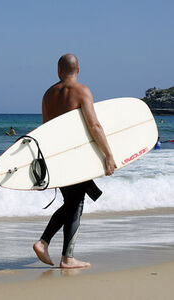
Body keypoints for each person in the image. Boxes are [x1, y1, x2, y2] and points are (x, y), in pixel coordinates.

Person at [33, 54, 116, 269]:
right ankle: (54, 249)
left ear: (58, 70)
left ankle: (58, 251)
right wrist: (108, 155)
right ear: (78, 69)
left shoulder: (48, 95)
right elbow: (94, 125)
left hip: (56, 156)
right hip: (76, 157)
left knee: (72, 203)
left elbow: (46, 129)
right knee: (75, 203)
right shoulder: (82, 91)